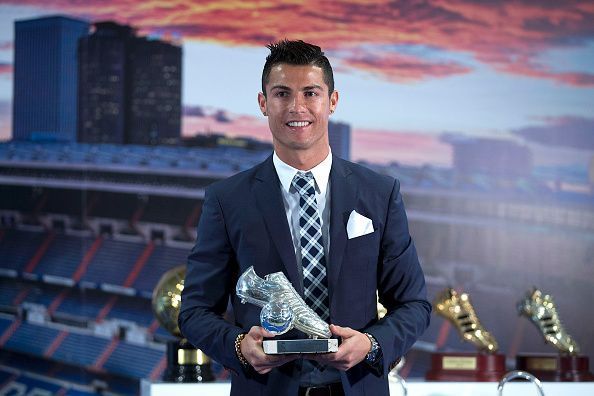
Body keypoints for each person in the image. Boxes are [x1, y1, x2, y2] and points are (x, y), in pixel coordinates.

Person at [179, 39, 431, 396]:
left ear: (332, 101)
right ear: (263, 103)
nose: (297, 107)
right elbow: (194, 311)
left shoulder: (379, 193)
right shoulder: (227, 199)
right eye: (282, 93)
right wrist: (239, 346)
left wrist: (371, 345)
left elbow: (414, 304)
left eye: (311, 93)